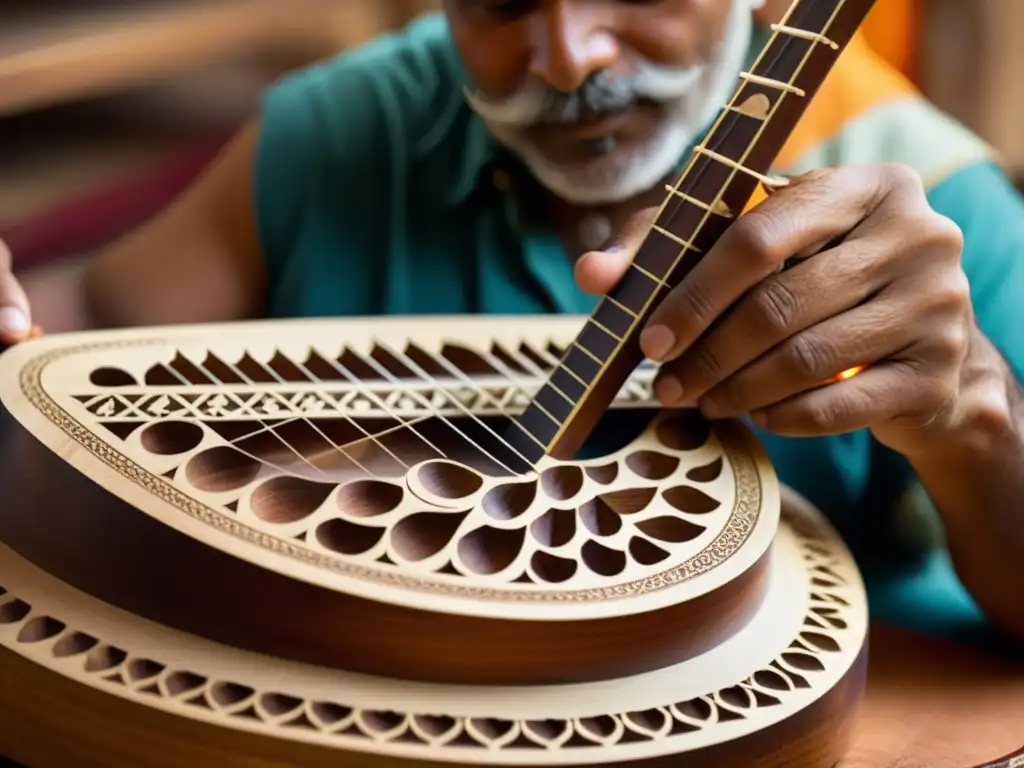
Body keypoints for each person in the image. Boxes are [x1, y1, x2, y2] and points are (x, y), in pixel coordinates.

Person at [2, 0, 1024, 648]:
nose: (570, 55)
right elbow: (84, 339)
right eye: (499, 3)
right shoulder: (357, 125)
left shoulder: (933, 199)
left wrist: (974, 411)